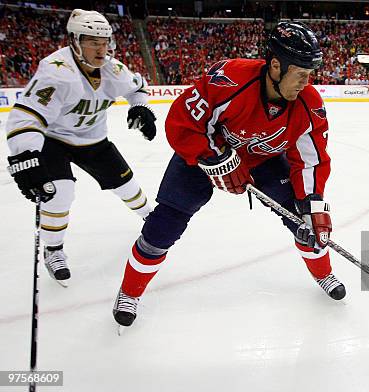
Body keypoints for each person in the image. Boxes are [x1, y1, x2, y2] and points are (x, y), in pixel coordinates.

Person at [112, 21, 345, 328]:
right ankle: (129, 291)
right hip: (206, 153)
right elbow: (182, 122)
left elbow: (311, 160)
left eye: (309, 74)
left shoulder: (309, 105)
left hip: (264, 160)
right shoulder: (229, 79)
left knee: (304, 222)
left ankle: (323, 272)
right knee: (164, 225)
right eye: (300, 73)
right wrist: (213, 158)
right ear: (276, 65)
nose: (306, 82)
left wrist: (312, 204)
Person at [5, 9, 157, 286]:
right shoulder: (55, 72)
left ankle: (150, 216)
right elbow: (26, 117)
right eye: (92, 41)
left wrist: (140, 106)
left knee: (127, 185)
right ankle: (53, 249)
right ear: (75, 41)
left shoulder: (115, 70)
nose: (101, 49)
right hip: (54, 140)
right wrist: (26, 157)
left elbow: (139, 87)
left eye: (105, 41)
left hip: (93, 140)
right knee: (60, 193)